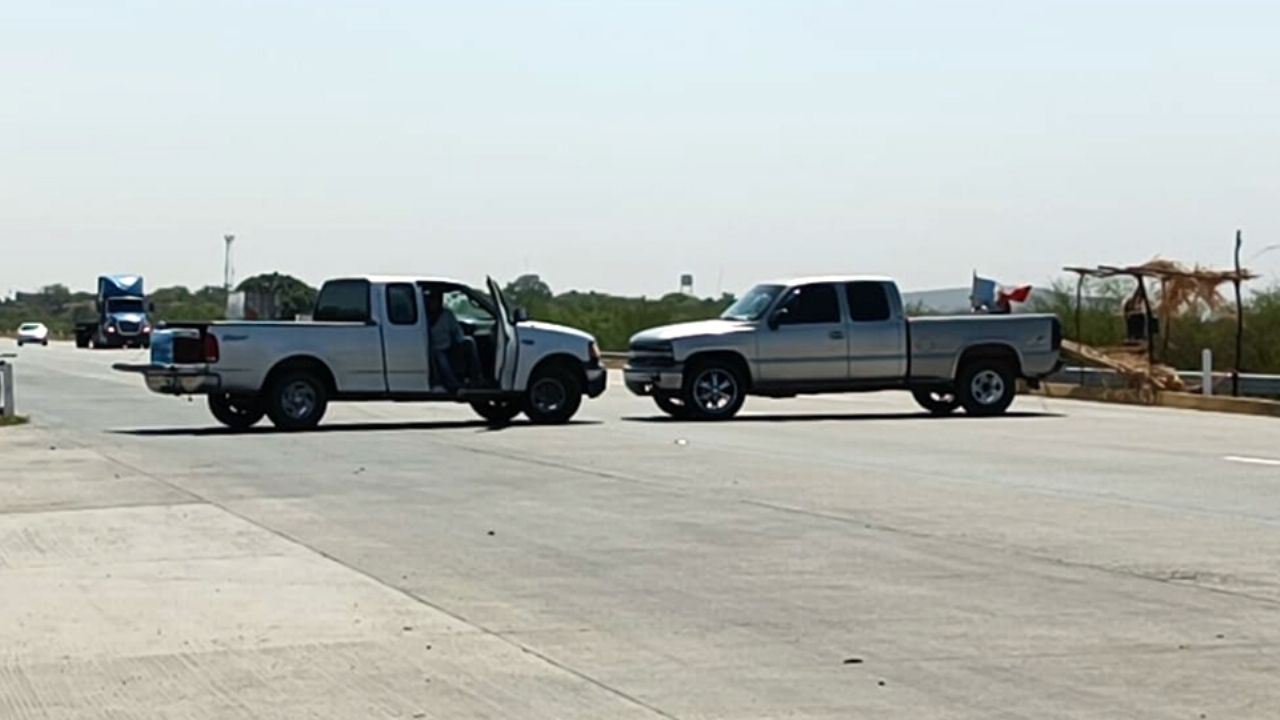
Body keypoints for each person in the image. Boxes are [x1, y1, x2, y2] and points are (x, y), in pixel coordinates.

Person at [425, 291, 482, 391]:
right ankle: (454, 385)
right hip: (433, 349)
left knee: (469, 342)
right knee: (442, 360)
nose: (434, 302)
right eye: (432, 299)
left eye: (437, 299)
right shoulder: (423, 316)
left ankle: (475, 379)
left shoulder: (447, 314)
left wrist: (460, 342)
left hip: (449, 346)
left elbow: (456, 330)